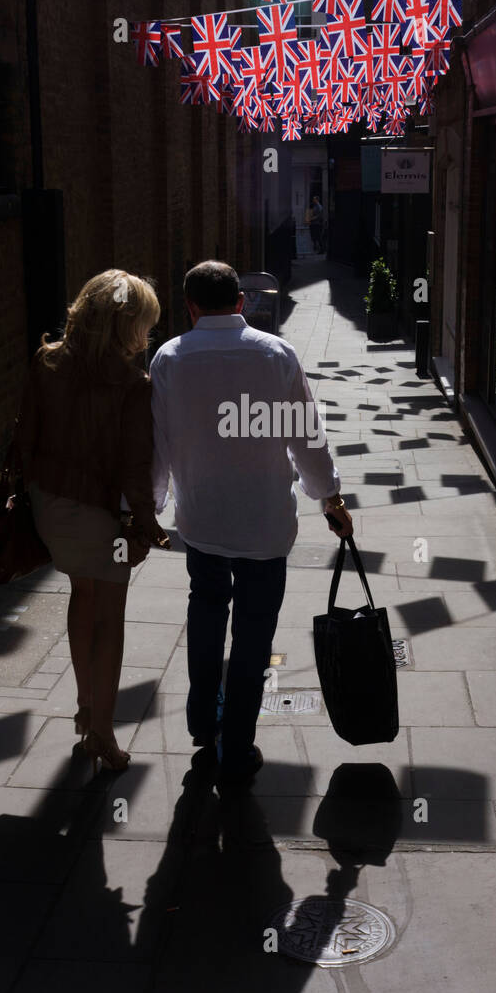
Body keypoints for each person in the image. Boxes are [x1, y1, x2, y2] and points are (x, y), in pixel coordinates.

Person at [150, 260, 353, 783]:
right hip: (264, 524)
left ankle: (203, 724)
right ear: (240, 302)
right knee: (254, 632)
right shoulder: (275, 355)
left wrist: (150, 507)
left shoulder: (169, 359)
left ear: (190, 306)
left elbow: (158, 443)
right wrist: (329, 497)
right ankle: (237, 742)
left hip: (202, 521)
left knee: (207, 615)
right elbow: (306, 437)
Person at [16, 270, 170, 774]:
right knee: (110, 619)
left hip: (49, 502)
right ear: (126, 325)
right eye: (143, 324)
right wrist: (146, 525)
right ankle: (101, 733)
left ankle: (87, 709)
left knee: (83, 596)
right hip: (97, 513)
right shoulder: (130, 384)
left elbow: (26, 435)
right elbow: (133, 467)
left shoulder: (47, 360)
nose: (145, 336)